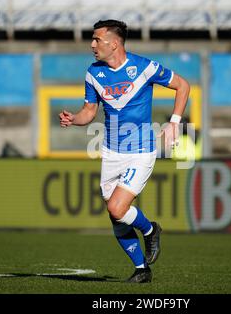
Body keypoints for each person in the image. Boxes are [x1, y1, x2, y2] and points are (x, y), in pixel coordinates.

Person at [59, 20, 190, 283]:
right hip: (111, 152)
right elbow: (89, 111)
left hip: (140, 150)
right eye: (92, 39)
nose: (92, 44)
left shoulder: (144, 67)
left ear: (114, 43)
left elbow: (183, 86)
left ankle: (151, 229)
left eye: (97, 39)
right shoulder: (93, 73)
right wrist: (74, 119)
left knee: (118, 207)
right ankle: (142, 270)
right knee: (115, 214)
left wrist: (174, 123)